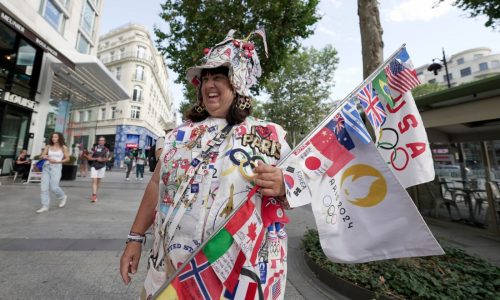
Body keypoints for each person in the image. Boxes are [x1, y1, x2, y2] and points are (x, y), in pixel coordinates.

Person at [120, 30, 291, 299]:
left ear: (238, 84)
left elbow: (302, 187)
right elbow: (156, 184)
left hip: (236, 274)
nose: (209, 84)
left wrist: (284, 184)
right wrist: (135, 237)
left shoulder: (269, 135)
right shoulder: (178, 136)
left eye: (219, 77)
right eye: (206, 78)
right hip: (173, 268)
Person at [36, 132, 70, 213]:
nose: (53, 138)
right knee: (44, 187)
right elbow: (41, 155)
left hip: (56, 167)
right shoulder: (48, 146)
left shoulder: (63, 147)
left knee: (54, 187)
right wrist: (44, 156)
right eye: (53, 137)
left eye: (55, 137)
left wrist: (58, 161)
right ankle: (45, 206)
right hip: (46, 167)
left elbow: (67, 158)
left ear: (59, 138)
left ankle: (62, 197)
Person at [86, 137, 110, 203]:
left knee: (98, 182)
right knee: (94, 180)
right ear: (98, 141)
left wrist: (102, 159)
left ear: (104, 142)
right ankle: (94, 195)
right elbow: (89, 157)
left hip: (102, 167)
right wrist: (96, 159)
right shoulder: (94, 148)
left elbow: (108, 159)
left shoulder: (106, 150)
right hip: (94, 166)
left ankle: (95, 194)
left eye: (102, 140)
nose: (101, 141)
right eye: (100, 140)